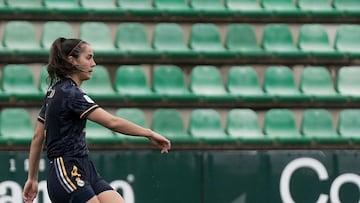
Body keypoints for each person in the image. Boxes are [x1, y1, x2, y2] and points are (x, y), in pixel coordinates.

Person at [22, 37, 171, 203]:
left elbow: (37, 137)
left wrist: (32, 178)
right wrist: (148, 133)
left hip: (85, 168)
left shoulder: (55, 91)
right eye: (88, 57)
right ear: (72, 61)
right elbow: (112, 122)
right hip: (67, 169)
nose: (93, 63)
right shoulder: (71, 94)